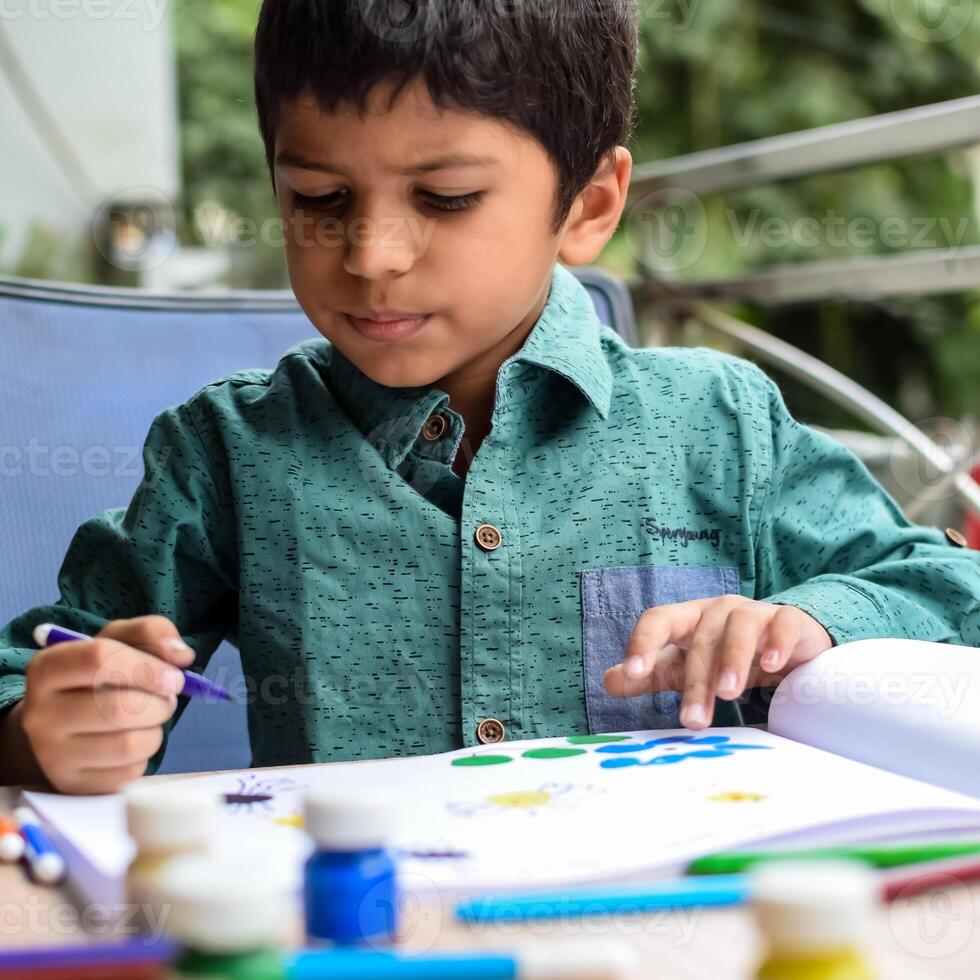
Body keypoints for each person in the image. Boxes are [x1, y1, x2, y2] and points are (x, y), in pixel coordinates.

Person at [1, 0, 977, 794]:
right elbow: (40, 666)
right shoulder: (225, 451)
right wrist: (46, 725)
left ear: (589, 204)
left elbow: (950, 592)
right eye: (318, 198)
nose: (372, 256)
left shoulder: (718, 424)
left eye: (445, 198)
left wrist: (810, 618)